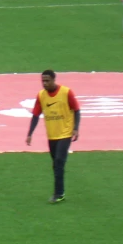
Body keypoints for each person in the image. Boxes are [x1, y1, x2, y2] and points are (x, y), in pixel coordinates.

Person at [26, 70, 81, 204]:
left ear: (54, 80)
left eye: (47, 81)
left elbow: (77, 110)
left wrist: (75, 128)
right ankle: (59, 191)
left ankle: (59, 193)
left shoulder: (66, 92)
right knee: (55, 164)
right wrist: (30, 133)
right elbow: (35, 115)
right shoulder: (41, 96)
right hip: (52, 135)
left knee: (58, 162)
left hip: (65, 133)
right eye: (43, 81)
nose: (45, 83)